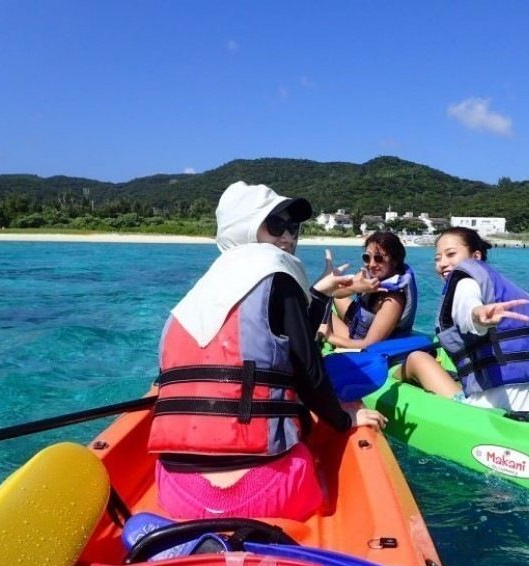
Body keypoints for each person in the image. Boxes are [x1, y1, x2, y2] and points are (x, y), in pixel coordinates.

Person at [148, 181, 387, 521]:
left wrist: (319, 296)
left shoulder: (192, 300)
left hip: (175, 492)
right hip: (266, 493)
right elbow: (307, 367)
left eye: (294, 227)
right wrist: (343, 417)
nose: (288, 237)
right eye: (276, 224)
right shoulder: (276, 270)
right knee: (312, 457)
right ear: (243, 227)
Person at [396, 226, 529, 412]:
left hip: (485, 408)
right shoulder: (510, 290)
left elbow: (467, 307)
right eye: (438, 258)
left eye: (450, 254)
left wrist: (478, 316)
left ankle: (387, 384)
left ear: (475, 257)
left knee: (417, 358)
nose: (441, 263)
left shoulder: (464, 283)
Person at [320, 231, 417, 349]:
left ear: (395, 260)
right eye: (367, 257)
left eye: (378, 258)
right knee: (320, 301)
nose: (371, 264)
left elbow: (368, 345)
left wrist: (330, 336)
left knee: (313, 310)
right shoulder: (367, 274)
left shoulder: (393, 300)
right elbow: (335, 293)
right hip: (357, 321)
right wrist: (356, 288)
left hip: (357, 340)